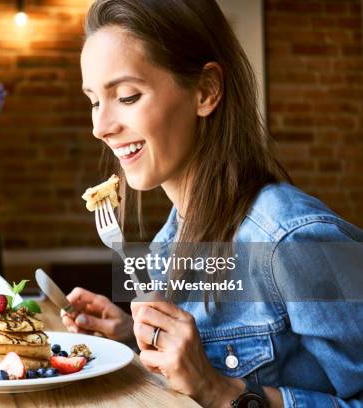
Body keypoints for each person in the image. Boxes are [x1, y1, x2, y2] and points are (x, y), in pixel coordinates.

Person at [61, 1, 363, 407]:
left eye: (128, 96)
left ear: (206, 91)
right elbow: (199, 370)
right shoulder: (172, 239)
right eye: (94, 101)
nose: (100, 127)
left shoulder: (295, 240)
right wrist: (134, 343)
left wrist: (221, 392)